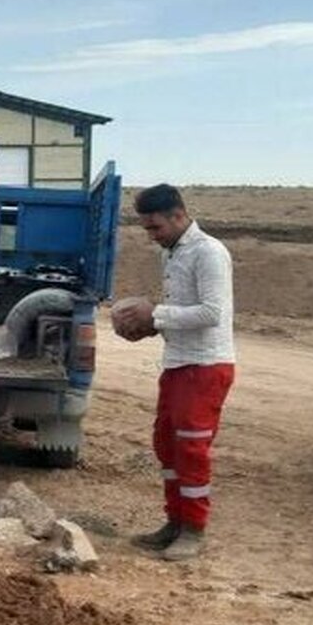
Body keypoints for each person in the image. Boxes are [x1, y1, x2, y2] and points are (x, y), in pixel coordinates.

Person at [110, 184, 235, 561]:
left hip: (206, 367)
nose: (151, 236)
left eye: (155, 228)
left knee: (191, 449)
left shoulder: (209, 252)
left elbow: (212, 313)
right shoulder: (173, 252)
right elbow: (181, 310)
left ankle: (194, 530)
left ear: (178, 216)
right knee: (166, 444)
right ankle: (175, 521)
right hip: (178, 363)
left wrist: (156, 315)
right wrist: (150, 328)